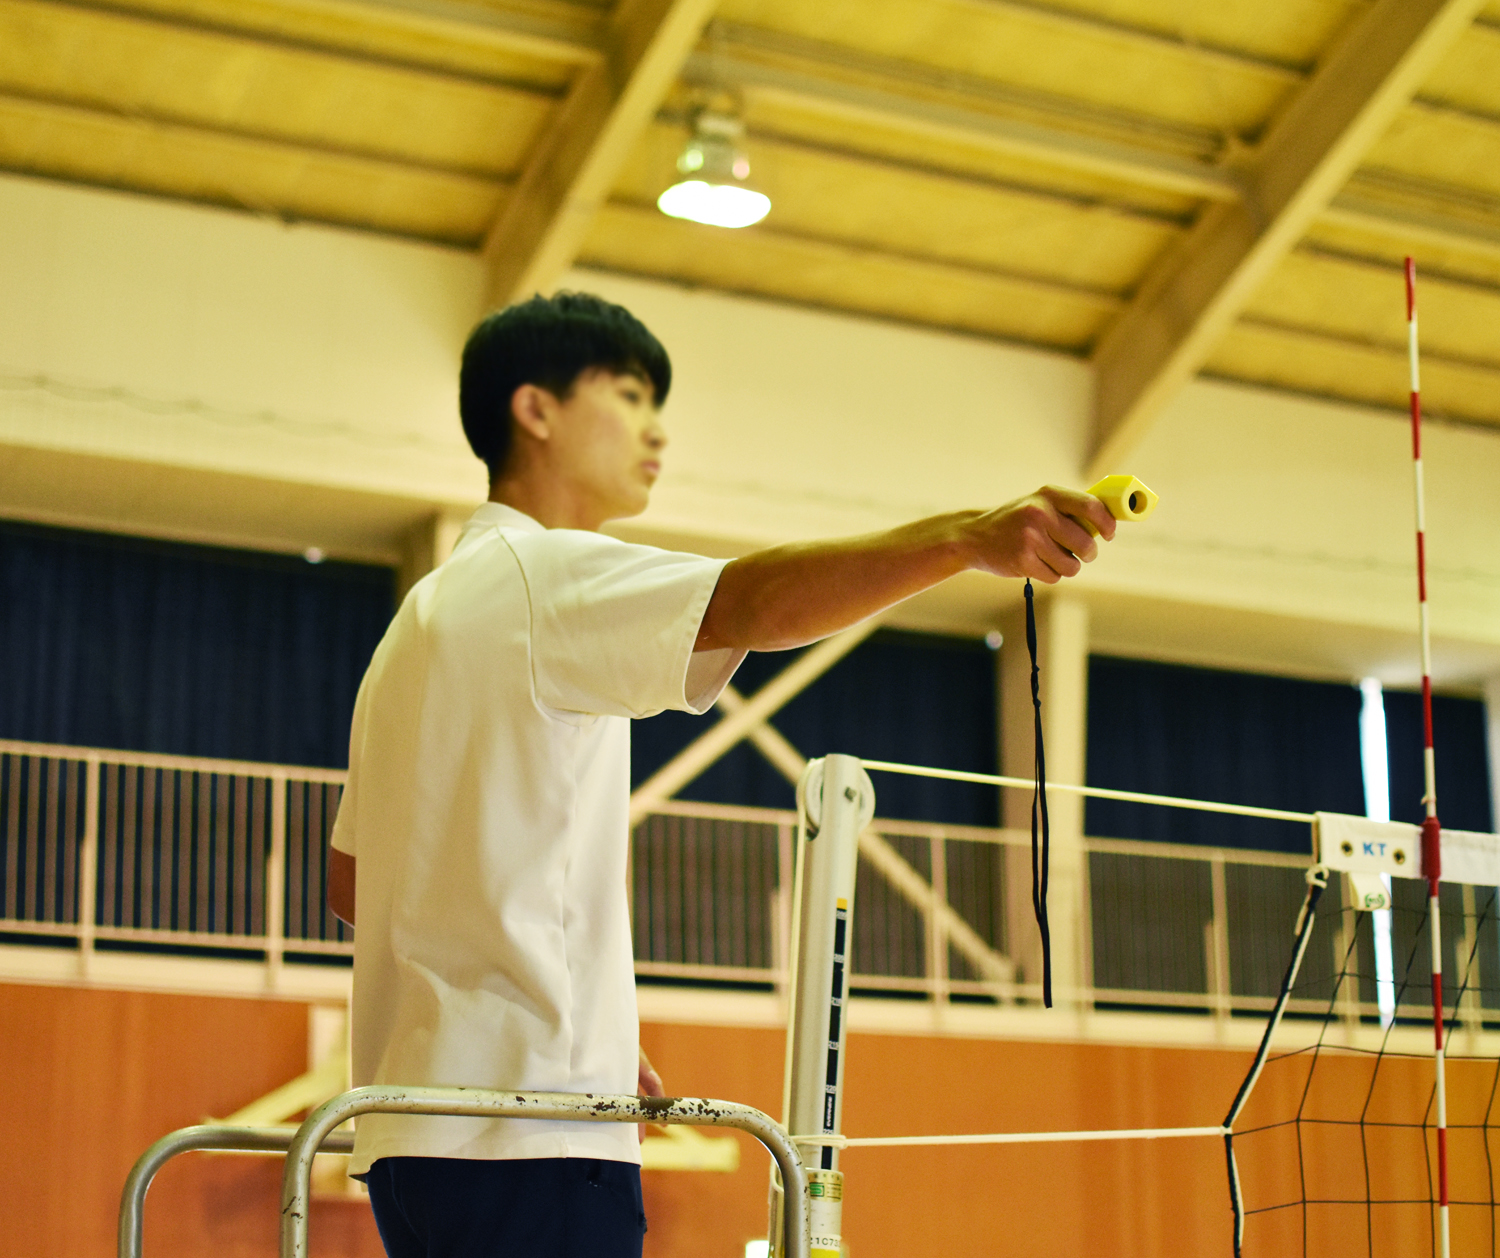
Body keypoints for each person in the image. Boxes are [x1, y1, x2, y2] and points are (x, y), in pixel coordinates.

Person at [326, 291, 1115, 1258]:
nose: (656, 430)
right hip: (535, 1133)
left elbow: (354, 887)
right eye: (628, 396)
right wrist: (967, 537)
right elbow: (754, 601)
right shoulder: (542, 576)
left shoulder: (414, 627)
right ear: (534, 410)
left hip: (411, 1144)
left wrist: (576, 1027)